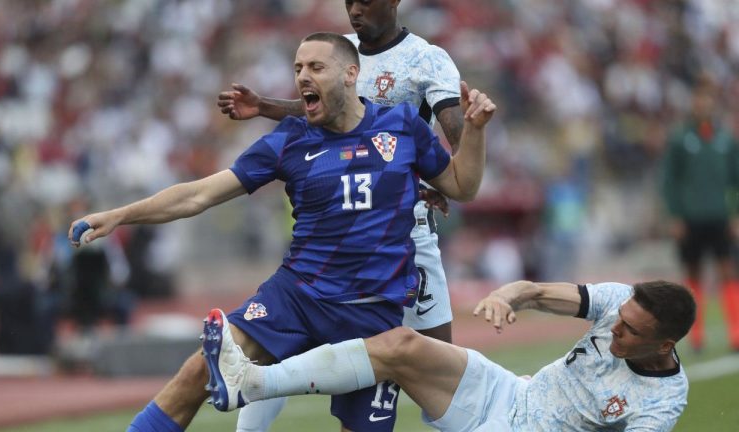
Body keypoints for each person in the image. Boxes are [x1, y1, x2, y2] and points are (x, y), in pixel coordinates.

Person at [69, 32, 495, 432]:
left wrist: (474, 133)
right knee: (200, 369)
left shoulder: (402, 127)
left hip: (372, 314)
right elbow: (198, 195)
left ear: (351, 74)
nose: (303, 76)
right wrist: (121, 215)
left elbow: (463, 186)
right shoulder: (290, 139)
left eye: (316, 67)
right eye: (297, 68)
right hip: (296, 296)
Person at [218, 2, 465, 426]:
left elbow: (456, 135)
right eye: (349, 2)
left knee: (438, 367)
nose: (355, 10)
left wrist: (441, 180)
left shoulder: (427, 58)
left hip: (405, 232)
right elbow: (319, 112)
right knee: (282, 342)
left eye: (365, 1)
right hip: (339, 231)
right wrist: (264, 106)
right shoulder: (337, 50)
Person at [206, 279, 696, 431]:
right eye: (620, 319)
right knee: (400, 345)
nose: (616, 330)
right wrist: (505, 297)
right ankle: (252, 383)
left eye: (630, 331)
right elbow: (535, 291)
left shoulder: (662, 403)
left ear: (665, 345)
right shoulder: (619, 301)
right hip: (509, 392)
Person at [660, 75, 739, 351]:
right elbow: (669, 180)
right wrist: (675, 215)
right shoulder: (680, 138)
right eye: (699, 98)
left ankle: (736, 333)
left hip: (720, 216)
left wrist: (735, 214)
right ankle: (696, 335)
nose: (703, 103)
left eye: (708, 98)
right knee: (693, 274)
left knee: (728, 271)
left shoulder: (726, 139)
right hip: (691, 217)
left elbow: (736, 179)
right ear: (693, 102)